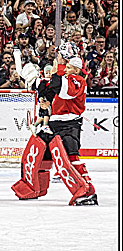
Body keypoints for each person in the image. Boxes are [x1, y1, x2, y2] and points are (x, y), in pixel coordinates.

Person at [34, 52, 97, 205]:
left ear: (76, 70)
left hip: (69, 124)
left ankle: (88, 190)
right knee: (42, 154)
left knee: (72, 156)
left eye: (69, 67)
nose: (66, 70)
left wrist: (56, 72)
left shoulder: (78, 80)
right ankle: (33, 186)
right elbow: (50, 92)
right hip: (54, 123)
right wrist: (43, 98)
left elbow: (65, 92)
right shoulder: (65, 79)